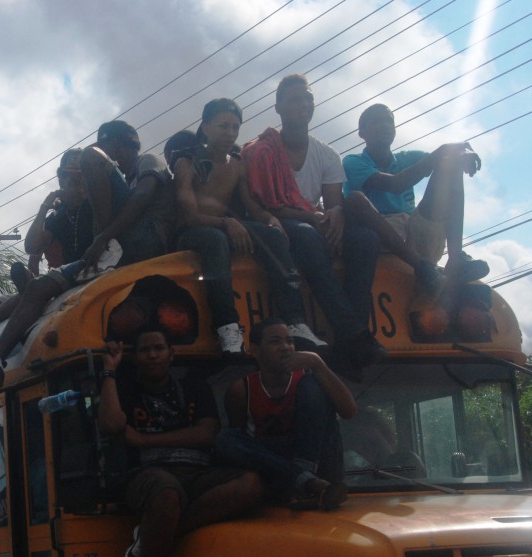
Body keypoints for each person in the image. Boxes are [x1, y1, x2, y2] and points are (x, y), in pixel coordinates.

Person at [0, 120, 175, 389]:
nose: (73, 182)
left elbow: (139, 200)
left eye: (79, 176)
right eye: (65, 176)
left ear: (113, 145)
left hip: (131, 245)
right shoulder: (69, 211)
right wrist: (47, 209)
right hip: (102, 255)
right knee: (31, 290)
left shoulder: (144, 166)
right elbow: (32, 247)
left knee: (28, 292)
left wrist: (103, 237)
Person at [99, 327, 263, 557]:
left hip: (198, 471)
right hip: (146, 474)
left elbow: (208, 433)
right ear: (134, 357)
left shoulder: (193, 385)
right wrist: (110, 371)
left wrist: (145, 440)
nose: (152, 354)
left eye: (159, 348)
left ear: (171, 354)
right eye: (144, 349)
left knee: (251, 483)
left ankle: (149, 537)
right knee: (166, 494)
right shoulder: (125, 386)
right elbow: (111, 425)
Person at [243, 74, 385, 375]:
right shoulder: (262, 151)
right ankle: (354, 333)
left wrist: (335, 221)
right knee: (306, 236)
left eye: (308, 98)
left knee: (365, 240)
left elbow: (333, 204)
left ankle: (350, 336)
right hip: (281, 227)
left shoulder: (327, 154)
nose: (305, 104)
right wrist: (315, 218)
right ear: (279, 107)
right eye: (296, 98)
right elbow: (267, 205)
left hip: (313, 223)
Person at [167, 98, 325, 354]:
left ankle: (295, 321)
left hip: (224, 227)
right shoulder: (187, 162)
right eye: (223, 126)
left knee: (272, 236)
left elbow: (251, 206)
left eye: (235, 127)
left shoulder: (238, 164)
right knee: (216, 241)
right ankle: (227, 327)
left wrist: (270, 220)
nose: (230, 133)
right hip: (193, 233)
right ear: (206, 127)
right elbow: (189, 217)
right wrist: (227, 223)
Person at [342, 103, 489, 293]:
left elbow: (446, 159)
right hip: (383, 234)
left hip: (416, 230)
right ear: (362, 132)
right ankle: (423, 268)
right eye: (376, 122)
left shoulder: (407, 158)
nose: (385, 125)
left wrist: (463, 153)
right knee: (356, 199)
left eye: (389, 121)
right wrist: (445, 149)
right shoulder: (353, 162)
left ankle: (456, 258)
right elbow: (396, 184)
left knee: (449, 166)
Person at [215, 318, 356, 509]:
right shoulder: (242, 390)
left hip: (317, 461)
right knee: (226, 439)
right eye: (275, 342)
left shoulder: (310, 379)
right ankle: (306, 482)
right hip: (273, 465)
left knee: (311, 385)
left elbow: (349, 411)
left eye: (290, 341)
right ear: (255, 351)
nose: (285, 347)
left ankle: (306, 475)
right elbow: (242, 445)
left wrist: (318, 363)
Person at [22, 148, 94, 276]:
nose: (81, 190)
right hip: (72, 280)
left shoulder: (97, 205)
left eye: (86, 182)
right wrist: (44, 207)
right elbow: (31, 247)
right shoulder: (57, 217)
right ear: (62, 183)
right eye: (75, 183)